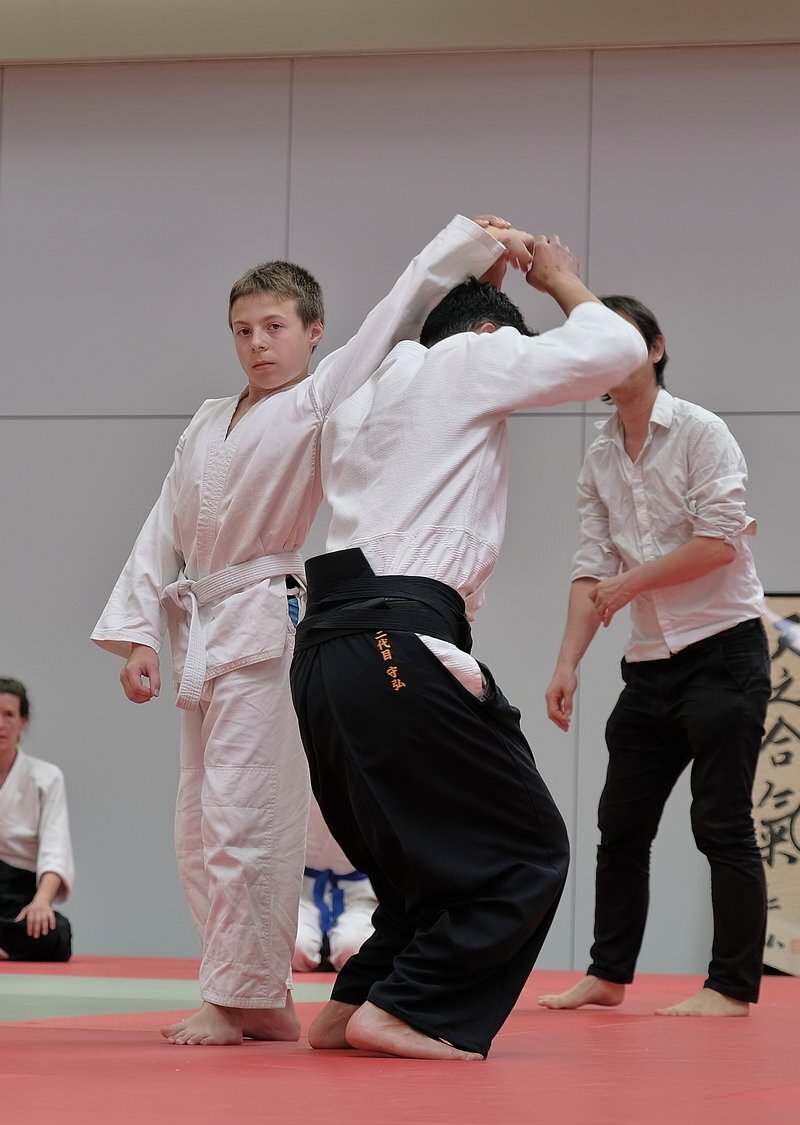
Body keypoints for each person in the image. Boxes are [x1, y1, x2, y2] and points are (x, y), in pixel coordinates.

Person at [91, 213, 532, 1046]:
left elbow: (395, 318)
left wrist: (471, 253)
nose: (258, 344)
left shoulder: (323, 397)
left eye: (275, 327)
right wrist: (140, 631)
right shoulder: (207, 418)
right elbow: (164, 525)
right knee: (199, 821)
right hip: (204, 626)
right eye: (243, 330)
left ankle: (241, 994)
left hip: (267, 619)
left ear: (312, 332)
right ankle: (252, 994)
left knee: (247, 815)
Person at [289, 240, 648, 1061]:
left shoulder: (365, 386)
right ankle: (410, 1011)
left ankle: (353, 1007)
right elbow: (617, 349)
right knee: (529, 849)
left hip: (324, 655)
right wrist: (555, 277)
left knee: (422, 864)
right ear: (491, 337)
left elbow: (405, 330)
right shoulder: (469, 362)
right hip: (398, 640)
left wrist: (457, 282)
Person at [540, 295, 769, 1018]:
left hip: (723, 651)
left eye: (624, 343)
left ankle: (730, 987)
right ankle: (608, 976)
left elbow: (719, 541)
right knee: (621, 824)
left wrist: (625, 583)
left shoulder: (702, 431)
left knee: (721, 822)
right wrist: (567, 662)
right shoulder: (601, 454)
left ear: (657, 348)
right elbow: (589, 567)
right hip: (647, 664)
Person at [0, 678, 74, 963]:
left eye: (9, 715)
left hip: (20, 895)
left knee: (57, 933)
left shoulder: (46, 777)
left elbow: (55, 847)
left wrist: (41, 901)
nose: (1, 724)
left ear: (23, 721)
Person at [293, 798, 377, 973]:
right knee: (294, 949)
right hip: (303, 890)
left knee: (354, 950)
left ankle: (333, 948)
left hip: (359, 892)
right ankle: (321, 948)